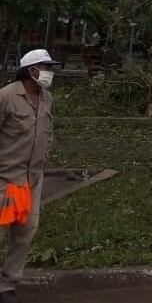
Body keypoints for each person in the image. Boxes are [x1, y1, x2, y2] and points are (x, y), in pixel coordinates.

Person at [0, 50, 58, 302]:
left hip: (32, 179)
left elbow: (47, 132)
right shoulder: (6, 96)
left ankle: (7, 284)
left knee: (26, 230)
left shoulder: (47, 98)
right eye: (46, 67)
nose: (50, 72)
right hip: (6, 178)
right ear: (32, 70)